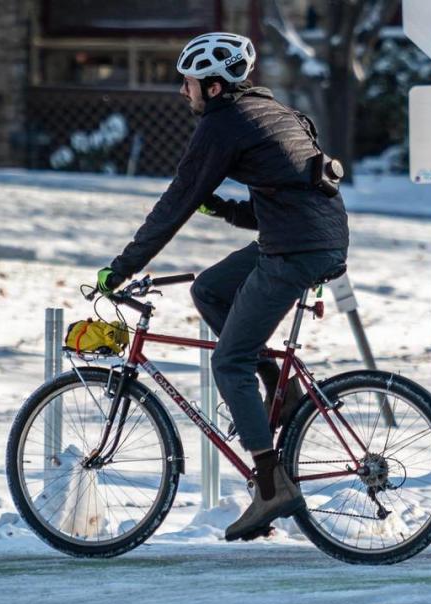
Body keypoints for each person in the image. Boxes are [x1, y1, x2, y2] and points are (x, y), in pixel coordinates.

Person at [93, 32, 349, 542]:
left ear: (212, 87)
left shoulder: (223, 124)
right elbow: (289, 196)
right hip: (304, 237)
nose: (181, 92)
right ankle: (281, 387)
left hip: (294, 250)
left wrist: (121, 268)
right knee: (209, 289)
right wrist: (228, 210)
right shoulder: (274, 112)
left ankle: (272, 485)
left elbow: (176, 202)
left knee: (229, 362)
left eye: (187, 82)